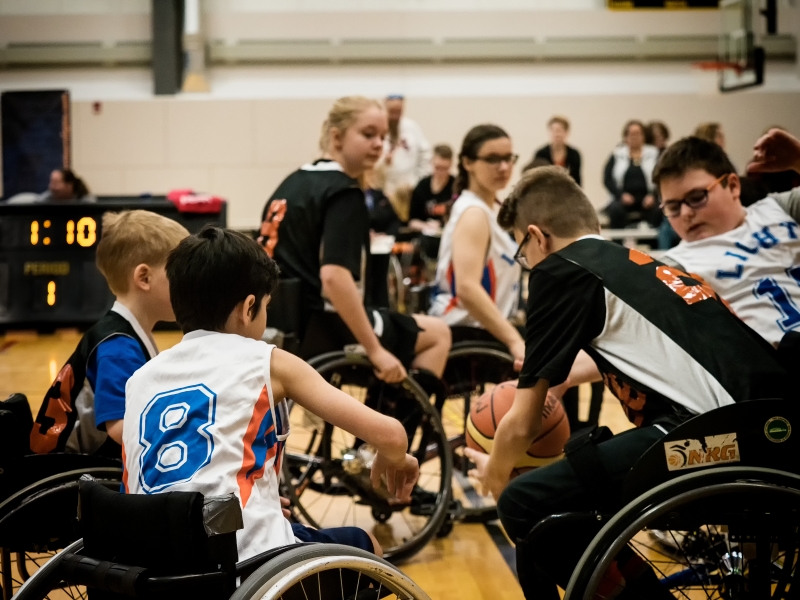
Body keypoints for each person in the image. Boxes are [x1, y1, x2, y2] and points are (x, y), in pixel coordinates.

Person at [464, 166, 787, 599]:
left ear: (538, 238)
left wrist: (496, 474)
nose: (528, 265)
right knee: (571, 492)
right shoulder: (640, 263)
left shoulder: (560, 270)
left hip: (718, 435)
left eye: (523, 253)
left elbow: (521, 423)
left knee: (523, 503)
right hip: (773, 426)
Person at [122, 227, 419, 561]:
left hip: (148, 561)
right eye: (265, 306)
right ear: (248, 307)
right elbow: (392, 436)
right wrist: (395, 457)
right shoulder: (268, 361)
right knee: (368, 545)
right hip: (235, 563)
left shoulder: (140, 378)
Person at [260, 96, 451, 383]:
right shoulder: (344, 193)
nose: (379, 144)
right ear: (336, 137)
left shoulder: (292, 182)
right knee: (438, 333)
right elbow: (334, 278)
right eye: (368, 134)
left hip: (277, 323)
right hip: (321, 327)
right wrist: (375, 351)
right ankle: (395, 425)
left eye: (384, 137)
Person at [30, 211, 189, 456]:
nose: (189, 282)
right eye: (180, 273)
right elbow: (122, 429)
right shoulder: (117, 347)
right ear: (144, 278)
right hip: (69, 476)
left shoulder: (126, 334)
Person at [658, 132, 800, 352]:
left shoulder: (781, 208)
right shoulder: (673, 266)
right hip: (776, 370)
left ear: (733, 186)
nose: (685, 213)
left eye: (696, 198)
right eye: (673, 207)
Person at [428, 125, 524, 364]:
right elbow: (467, 288)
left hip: (485, 327)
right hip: (465, 329)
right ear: (468, 163)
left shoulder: (494, 208)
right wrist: (514, 340)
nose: (503, 167)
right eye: (492, 159)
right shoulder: (474, 213)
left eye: (507, 158)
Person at [603, 120, 661, 229]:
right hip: (624, 199)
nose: (635, 137)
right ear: (625, 137)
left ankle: (654, 244)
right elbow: (607, 179)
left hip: (648, 198)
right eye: (631, 134)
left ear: (644, 136)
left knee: (658, 210)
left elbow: (661, 177)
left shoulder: (654, 154)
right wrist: (621, 195)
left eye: (638, 134)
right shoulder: (617, 154)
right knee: (615, 210)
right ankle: (618, 243)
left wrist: (653, 195)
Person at [378, 94, 432, 200]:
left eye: (398, 111)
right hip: (386, 190)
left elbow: (425, 156)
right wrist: (384, 162)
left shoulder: (412, 128)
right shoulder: (379, 128)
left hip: (410, 188)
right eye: (392, 111)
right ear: (385, 108)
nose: (395, 116)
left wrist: (419, 182)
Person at [408, 144, 456, 231]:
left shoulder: (456, 186)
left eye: (445, 168)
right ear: (432, 162)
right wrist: (426, 226)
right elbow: (412, 221)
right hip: (425, 233)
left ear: (451, 165)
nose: (441, 172)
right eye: (437, 167)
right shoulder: (422, 186)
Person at [531, 116, 582, 186]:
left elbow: (577, 181)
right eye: (553, 130)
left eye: (559, 130)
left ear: (566, 132)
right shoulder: (541, 154)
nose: (556, 134)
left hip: (568, 191)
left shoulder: (574, 154)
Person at [7, 168, 95, 204]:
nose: (52, 187)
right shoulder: (46, 199)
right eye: (51, 183)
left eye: (56, 183)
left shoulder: (86, 202)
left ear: (69, 186)